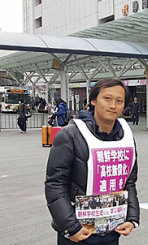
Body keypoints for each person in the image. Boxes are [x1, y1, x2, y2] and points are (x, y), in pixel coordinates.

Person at [45, 79, 140, 245]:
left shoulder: (125, 137)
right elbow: (55, 184)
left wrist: (132, 218)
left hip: (111, 229)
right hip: (78, 233)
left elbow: (129, 182)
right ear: (93, 100)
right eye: (107, 98)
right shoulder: (70, 135)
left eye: (119, 101)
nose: (113, 105)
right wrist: (70, 227)